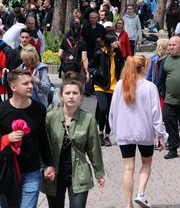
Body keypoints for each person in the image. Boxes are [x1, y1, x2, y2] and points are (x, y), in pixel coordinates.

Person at [109, 56, 166, 208]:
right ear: (144, 68)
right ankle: (140, 193)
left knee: (128, 167)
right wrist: (161, 134)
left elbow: (112, 111)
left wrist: (114, 129)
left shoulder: (120, 85)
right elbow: (156, 114)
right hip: (145, 132)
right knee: (146, 163)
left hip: (124, 131)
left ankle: (128, 204)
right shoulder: (149, 87)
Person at [42, 80, 105, 208]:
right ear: (61, 95)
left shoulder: (88, 119)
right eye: (67, 93)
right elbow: (43, 147)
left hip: (79, 173)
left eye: (75, 93)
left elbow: (94, 148)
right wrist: (44, 167)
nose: (71, 96)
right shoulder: (50, 118)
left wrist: (99, 172)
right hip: (55, 174)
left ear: (81, 96)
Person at [0, 69, 55, 208]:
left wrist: (49, 164)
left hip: (32, 171)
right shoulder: (2, 109)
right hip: (6, 171)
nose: (31, 86)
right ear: (14, 87)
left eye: (31, 82)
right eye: (25, 83)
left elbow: (42, 138)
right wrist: (7, 138)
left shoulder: (39, 109)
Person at [89, 34, 125, 147]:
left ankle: (107, 136)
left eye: (117, 40)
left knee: (111, 112)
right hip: (100, 85)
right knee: (103, 109)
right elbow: (90, 67)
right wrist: (97, 74)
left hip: (114, 87)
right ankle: (100, 132)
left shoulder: (118, 54)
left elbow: (122, 68)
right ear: (109, 42)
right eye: (115, 41)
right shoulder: (99, 53)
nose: (117, 42)